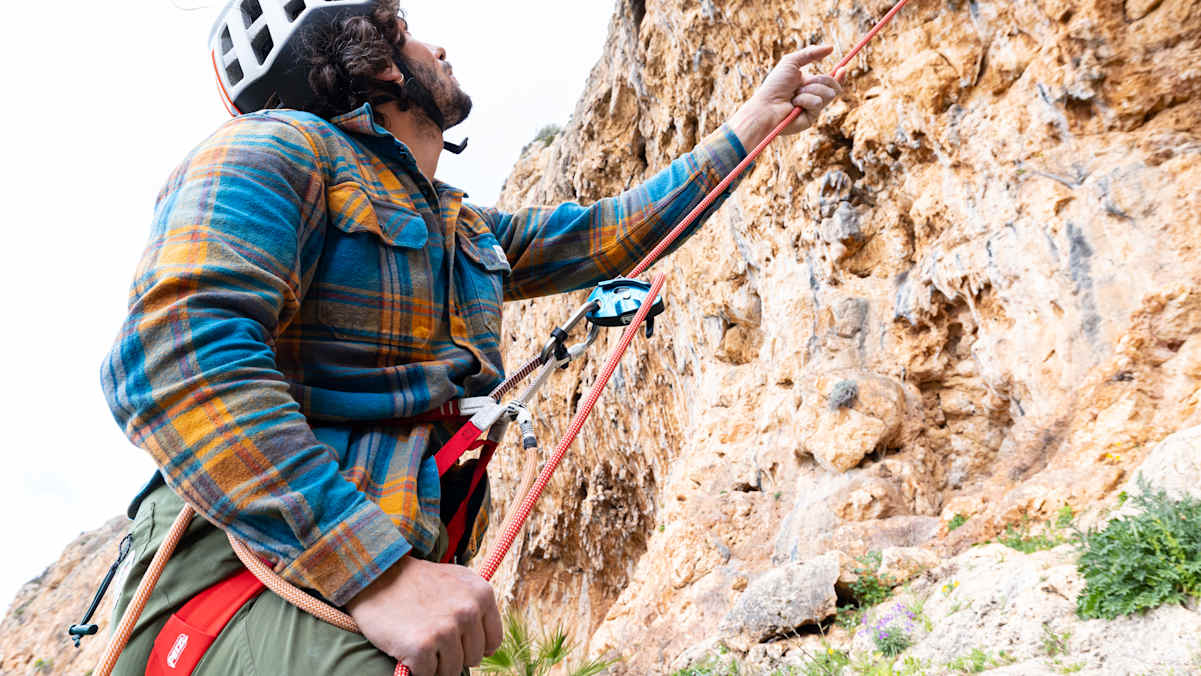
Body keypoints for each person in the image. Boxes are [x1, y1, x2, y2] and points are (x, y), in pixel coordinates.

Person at [100, 1, 843, 674]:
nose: (440, 47)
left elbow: (608, 233)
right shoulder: (272, 148)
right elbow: (175, 357)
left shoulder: (459, 226)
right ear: (380, 62)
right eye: (410, 31)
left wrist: (751, 125)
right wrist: (377, 574)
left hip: (360, 579)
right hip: (260, 575)